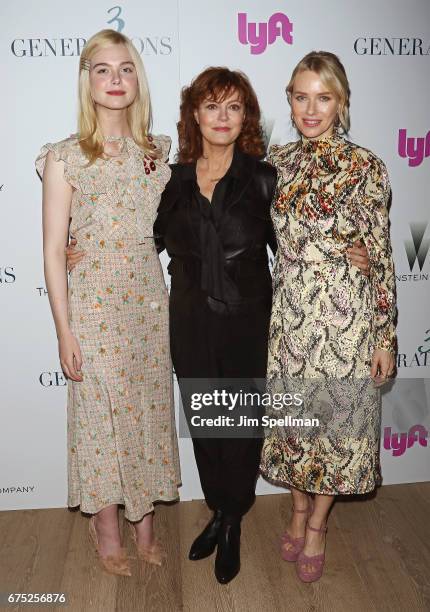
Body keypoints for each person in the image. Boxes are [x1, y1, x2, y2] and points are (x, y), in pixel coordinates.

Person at [66, 65, 370, 584]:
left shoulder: (263, 178)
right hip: (187, 324)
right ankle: (220, 510)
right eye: (212, 106)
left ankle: (230, 522)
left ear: (246, 116)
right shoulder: (171, 180)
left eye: (234, 107)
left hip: (251, 325)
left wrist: (349, 253)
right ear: (195, 116)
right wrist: (83, 248)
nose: (222, 117)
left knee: (242, 431)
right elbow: (141, 239)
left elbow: (300, 243)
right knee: (207, 426)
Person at [36, 29, 180, 577]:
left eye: (125, 68)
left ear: (137, 78)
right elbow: (52, 252)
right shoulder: (64, 158)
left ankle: (146, 522)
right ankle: (107, 527)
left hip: (147, 303)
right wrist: (64, 330)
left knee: (145, 414)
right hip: (94, 307)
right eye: (102, 69)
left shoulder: (157, 152)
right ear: (87, 80)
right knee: (100, 418)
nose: (114, 79)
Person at [260, 51, 396, 583]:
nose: (310, 108)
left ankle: (317, 524)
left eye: (323, 97)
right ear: (289, 102)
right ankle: (297, 508)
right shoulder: (277, 162)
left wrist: (384, 336)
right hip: (290, 314)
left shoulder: (366, 166)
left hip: (345, 317)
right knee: (296, 426)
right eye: (300, 96)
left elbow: (382, 255)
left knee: (337, 429)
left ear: (341, 103)